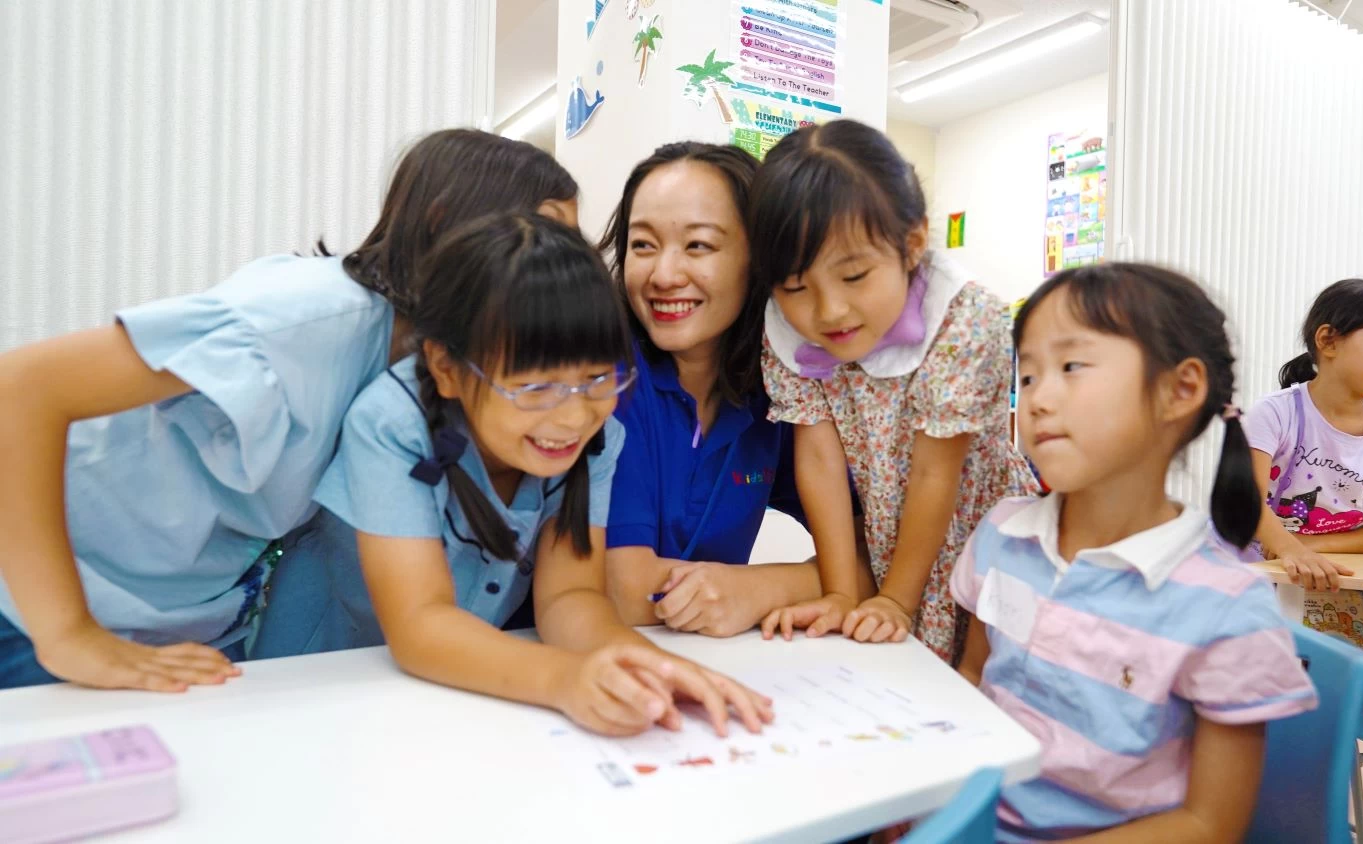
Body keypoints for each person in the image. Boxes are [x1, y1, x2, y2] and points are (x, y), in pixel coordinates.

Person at [0, 130, 579, 691]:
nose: (562, 270)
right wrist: (67, 630)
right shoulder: (309, 318)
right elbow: (21, 386)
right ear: (442, 221)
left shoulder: (431, 369)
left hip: (180, 622)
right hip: (39, 604)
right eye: (545, 234)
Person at [259, 213, 771, 736]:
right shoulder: (392, 424)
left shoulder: (596, 435)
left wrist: (648, 666)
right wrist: (566, 679)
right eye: (532, 387)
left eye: (598, 377)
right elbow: (420, 625)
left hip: (467, 684)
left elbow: (570, 597)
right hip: (315, 680)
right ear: (447, 368)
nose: (572, 416)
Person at [953, 263, 1316, 841]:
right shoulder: (1000, 534)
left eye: (1071, 367)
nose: (1038, 399)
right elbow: (972, 681)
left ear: (1180, 390)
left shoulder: (1225, 607)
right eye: (1026, 376)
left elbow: (1208, 824)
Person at [748, 120, 1037, 664]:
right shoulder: (786, 329)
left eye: (854, 276)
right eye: (795, 287)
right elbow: (819, 462)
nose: (829, 310)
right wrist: (840, 590)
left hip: (981, 541)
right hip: (887, 541)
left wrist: (898, 601)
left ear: (912, 245)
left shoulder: (962, 319)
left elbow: (936, 473)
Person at [600, 141, 870, 639]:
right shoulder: (608, 377)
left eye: (698, 245)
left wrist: (760, 588)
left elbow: (876, 551)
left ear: (759, 261)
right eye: (642, 245)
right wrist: (821, 582)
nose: (663, 274)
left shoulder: (780, 393)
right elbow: (625, 588)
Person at [1245, 278, 1363, 649]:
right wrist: (1290, 549)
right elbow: (1242, 501)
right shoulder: (1275, 414)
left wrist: (1314, 548)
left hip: (1324, 578)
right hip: (1247, 571)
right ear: (1328, 341)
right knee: (1247, 681)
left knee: (1336, 679)